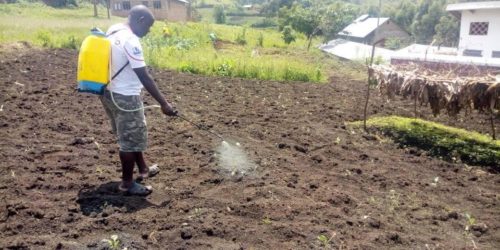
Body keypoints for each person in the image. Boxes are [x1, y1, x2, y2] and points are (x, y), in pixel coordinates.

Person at [100, 5, 177, 195]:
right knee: (129, 139)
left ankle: (143, 169)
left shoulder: (114, 30)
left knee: (130, 134)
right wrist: (164, 104)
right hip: (125, 96)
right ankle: (127, 184)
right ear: (140, 20)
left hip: (109, 93)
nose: (148, 31)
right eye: (148, 27)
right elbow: (144, 75)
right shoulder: (130, 40)